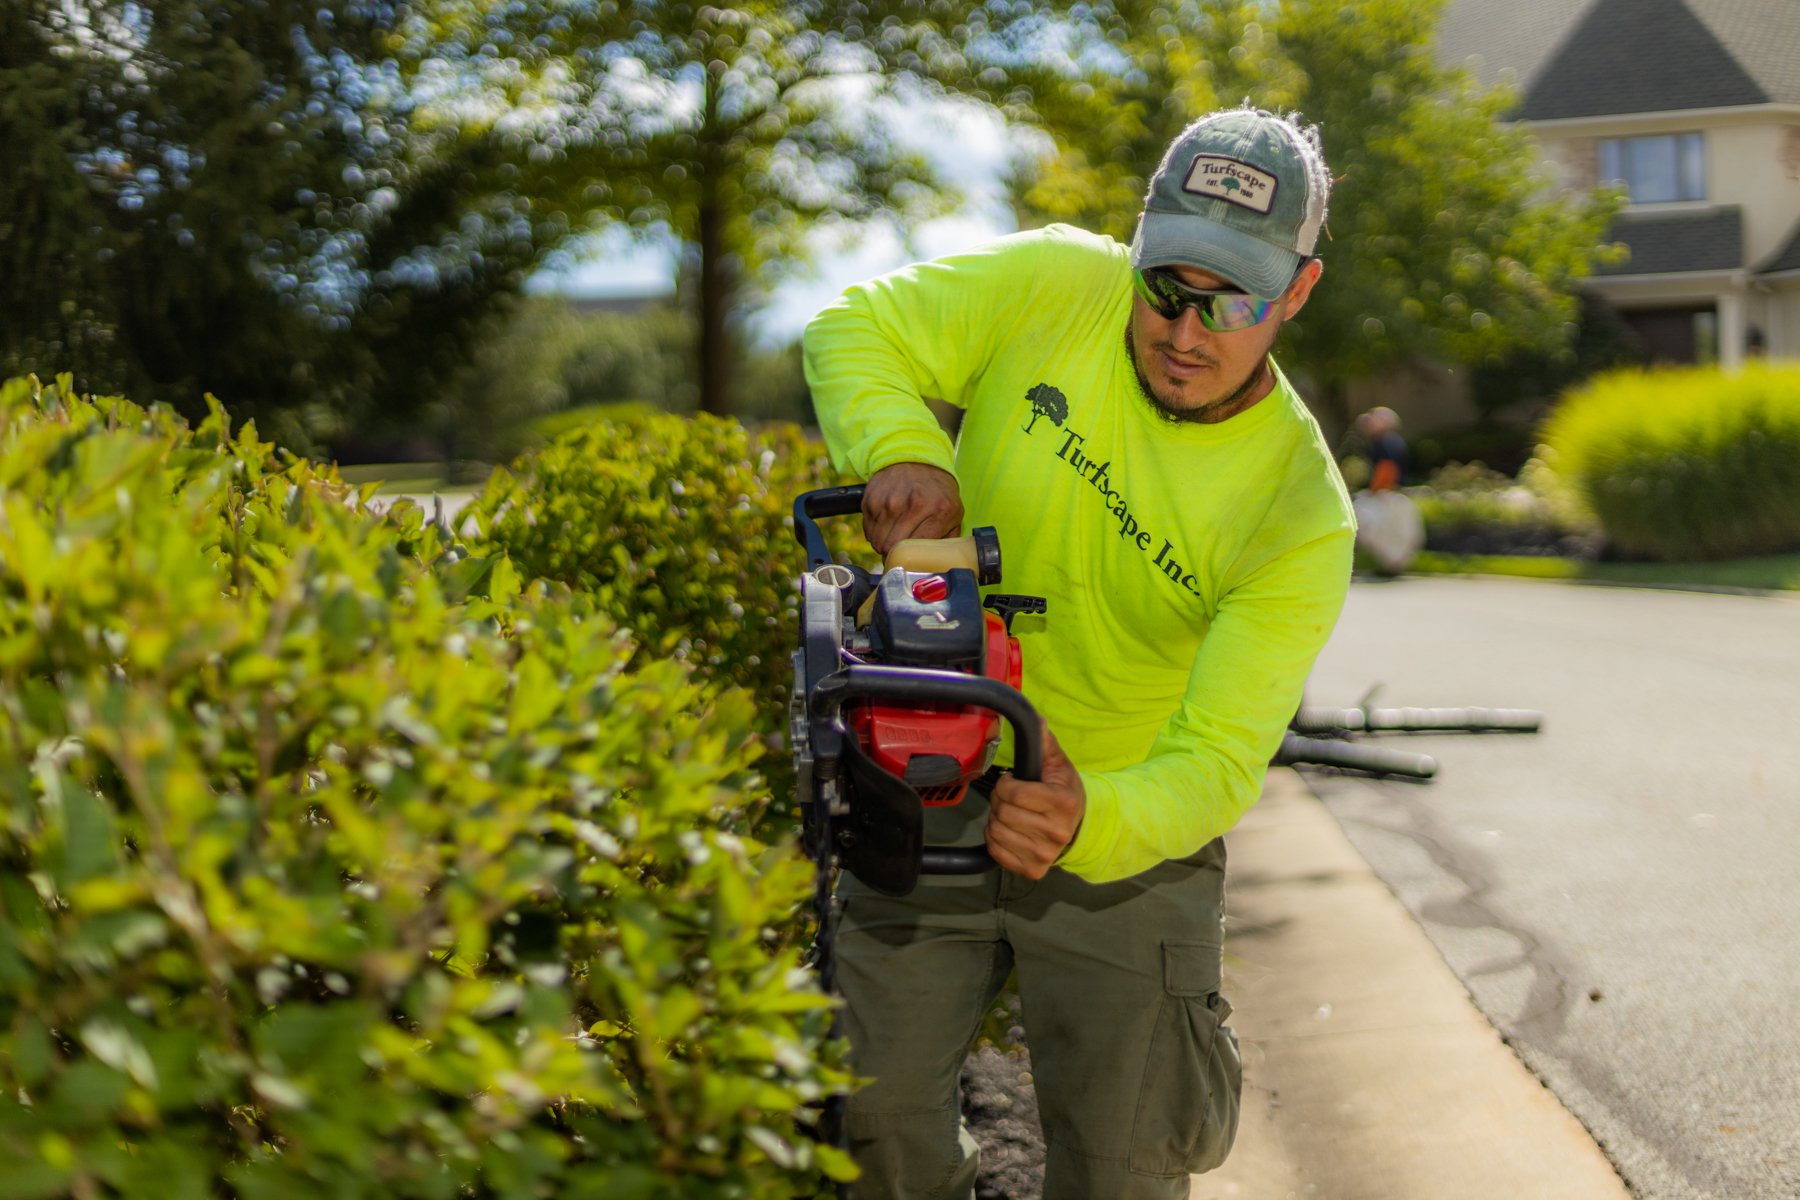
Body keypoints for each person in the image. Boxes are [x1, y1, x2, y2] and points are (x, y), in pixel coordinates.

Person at [801, 106, 1356, 1200]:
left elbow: (1219, 761)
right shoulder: (1057, 283)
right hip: (928, 775)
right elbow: (853, 325)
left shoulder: (1301, 513)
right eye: (1168, 288)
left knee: (1129, 1162)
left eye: (1235, 301)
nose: (1189, 332)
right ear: (1137, 243)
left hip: (1125, 829)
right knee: (872, 1124)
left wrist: (1090, 814)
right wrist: (909, 454)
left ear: (1298, 291)